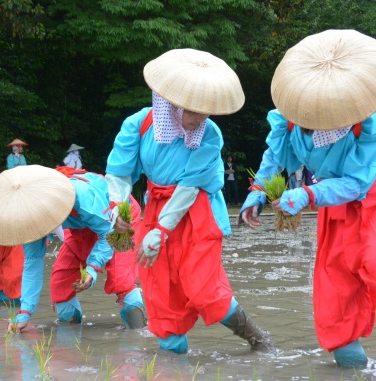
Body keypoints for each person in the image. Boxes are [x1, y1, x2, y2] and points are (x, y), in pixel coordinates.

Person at [240, 29, 376, 368]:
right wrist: (256, 193)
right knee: (334, 294)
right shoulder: (290, 118)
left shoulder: (367, 124)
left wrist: (307, 194)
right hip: (332, 205)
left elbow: (356, 184)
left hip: (373, 195)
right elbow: (276, 157)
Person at [105, 48, 273, 355]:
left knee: (202, 289)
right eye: (193, 111)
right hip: (156, 207)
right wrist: (117, 207)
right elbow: (119, 171)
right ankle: (174, 374)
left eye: (205, 112)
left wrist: (162, 230)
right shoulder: (139, 125)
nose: (199, 120)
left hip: (197, 211)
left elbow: (190, 186)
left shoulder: (210, 135)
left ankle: (256, 336)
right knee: (159, 290)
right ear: (173, 105)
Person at [0, 165, 146, 332]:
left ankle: (138, 343)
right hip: (80, 228)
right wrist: (25, 312)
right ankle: (69, 344)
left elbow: (107, 233)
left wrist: (92, 268)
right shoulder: (31, 216)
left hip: (117, 221)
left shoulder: (81, 195)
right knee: (61, 285)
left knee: (121, 280)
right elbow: (32, 262)